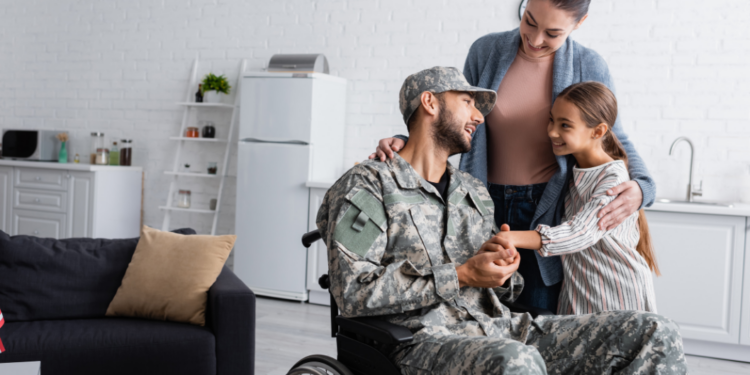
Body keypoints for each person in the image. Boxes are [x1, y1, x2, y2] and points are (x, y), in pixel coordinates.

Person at [318, 67, 686, 374]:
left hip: (500, 329)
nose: (479, 116)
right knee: (518, 361)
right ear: (429, 102)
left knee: (655, 331)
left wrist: (503, 270)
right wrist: (461, 275)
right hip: (419, 341)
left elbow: (505, 288)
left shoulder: (473, 192)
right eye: (467, 102)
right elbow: (353, 293)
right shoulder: (369, 185)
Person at [368, 0, 656, 313]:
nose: (534, 39)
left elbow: (615, 135)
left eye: (553, 33)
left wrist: (644, 187)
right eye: (529, 21)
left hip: (546, 211)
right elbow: (460, 119)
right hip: (481, 203)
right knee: (479, 314)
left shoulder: (589, 64)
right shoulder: (486, 51)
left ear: (580, 23)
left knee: (538, 319)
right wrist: (405, 143)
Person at [496, 82, 659, 315]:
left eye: (565, 125)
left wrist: (509, 237)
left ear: (598, 131)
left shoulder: (613, 179)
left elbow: (580, 232)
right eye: (551, 120)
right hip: (578, 294)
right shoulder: (572, 172)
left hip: (617, 294)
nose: (552, 131)